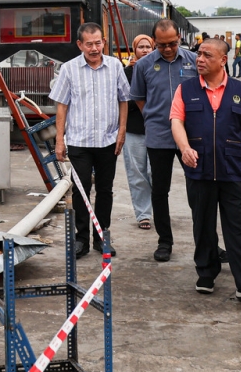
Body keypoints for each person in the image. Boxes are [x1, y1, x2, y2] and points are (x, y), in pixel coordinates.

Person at [170, 38, 241, 304]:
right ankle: (206, 272)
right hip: (199, 169)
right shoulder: (186, 89)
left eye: (207, 55)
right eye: (199, 54)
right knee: (203, 224)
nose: (199, 59)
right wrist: (184, 147)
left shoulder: (240, 90)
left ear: (223, 60)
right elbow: (176, 121)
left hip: (234, 169)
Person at [51, 22, 131, 259]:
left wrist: (122, 131)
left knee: (106, 190)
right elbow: (62, 106)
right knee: (81, 190)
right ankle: (82, 239)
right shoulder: (69, 69)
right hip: (79, 141)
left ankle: (102, 236)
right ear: (80, 45)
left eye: (98, 43)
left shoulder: (115, 66)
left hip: (108, 140)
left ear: (103, 42)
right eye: (89, 44)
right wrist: (60, 139)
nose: (94, 48)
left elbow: (123, 100)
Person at [131, 19, 199, 261]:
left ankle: (207, 241)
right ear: (154, 41)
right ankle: (164, 242)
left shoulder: (193, 61)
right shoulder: (144, 65)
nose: (168, 49)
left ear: (179, 39)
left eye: (172, 44)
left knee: (199, 189)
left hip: (191, 137)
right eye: (162, 45)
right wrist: (153, 116)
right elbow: (139, 97)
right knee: (160, 191)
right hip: (158, 136)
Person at [123, 34, 155, 231]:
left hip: (157, 129)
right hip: (133, 130)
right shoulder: (126, 73)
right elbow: (123, 102)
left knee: (155, 173)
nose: (144, 50)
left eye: (148, 47)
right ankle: (143, 214)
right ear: (134, 50)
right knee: (137, 174)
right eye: (141, 47)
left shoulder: (158, 69)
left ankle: (159, 210)